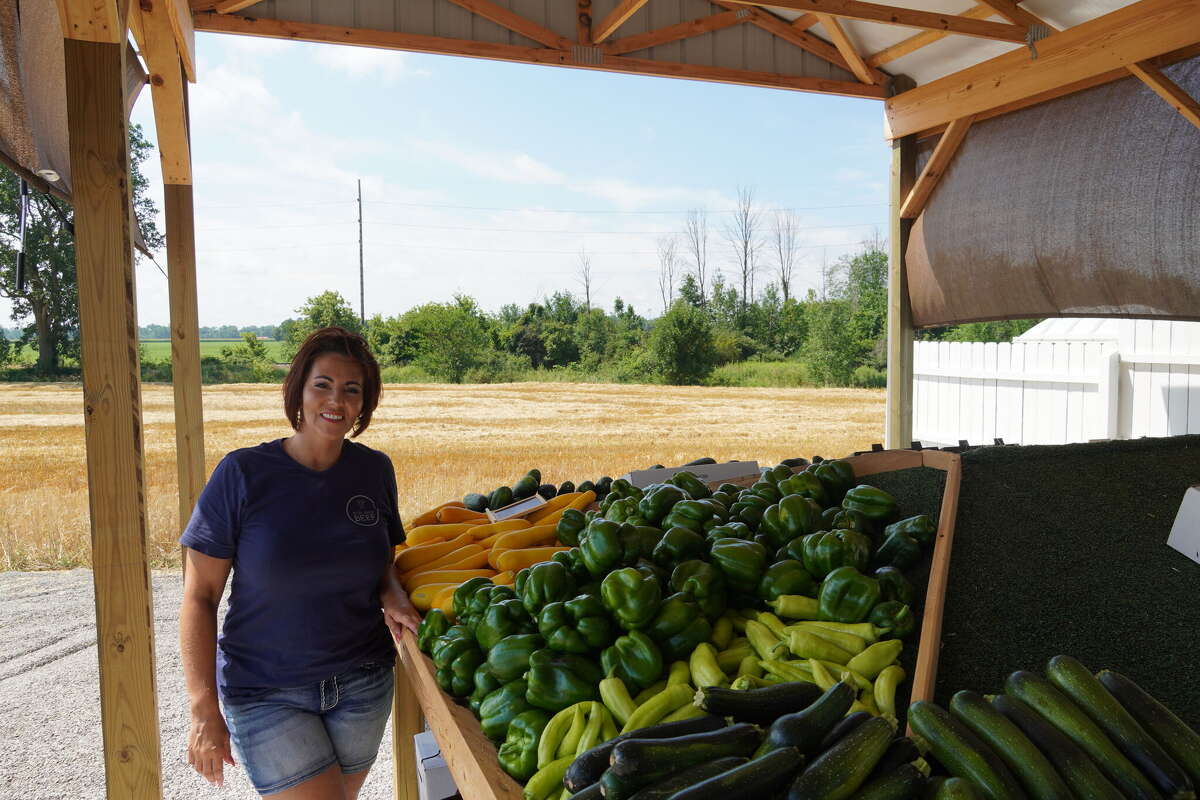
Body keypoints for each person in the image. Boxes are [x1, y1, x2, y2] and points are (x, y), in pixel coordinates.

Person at [179, 326, 421, 799]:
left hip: (363, 683)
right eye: (322, 385)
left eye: (352, 389)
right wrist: (203, 706)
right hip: (266, 691)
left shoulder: (374, 469)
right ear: (298, 391)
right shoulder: (243, 474)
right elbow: (199, 596)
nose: (336, 400)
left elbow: (381, 559)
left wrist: (391, 592)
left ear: (365, 402)